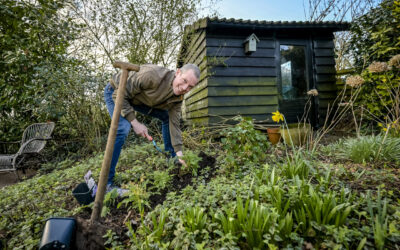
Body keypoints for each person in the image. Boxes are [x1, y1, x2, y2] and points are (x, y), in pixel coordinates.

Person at [103, 63, 200, 191]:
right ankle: (106, 184)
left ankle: (173, 159)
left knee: (166, 118)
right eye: (184, 81)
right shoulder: (152, 75)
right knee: (122, 129)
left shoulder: (178, 98)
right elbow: (119, 95)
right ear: (178, 73)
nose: (184, 88)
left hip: (138, 99)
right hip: (116, 91)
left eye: (190, 87)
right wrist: (135, 123)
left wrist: (179, 154)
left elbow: (174, 124)